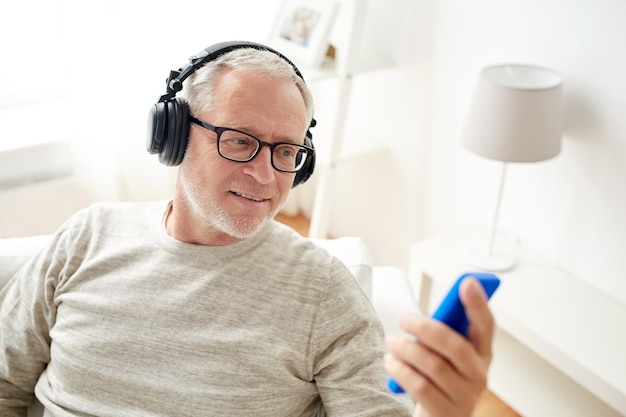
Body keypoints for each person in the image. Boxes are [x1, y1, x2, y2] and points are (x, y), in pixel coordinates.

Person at [0, 41, 495, 417]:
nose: (266, 176)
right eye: (240, 141)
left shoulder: (323, 295)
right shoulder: (87, 237)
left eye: (286, 152)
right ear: (172, 132)